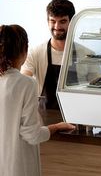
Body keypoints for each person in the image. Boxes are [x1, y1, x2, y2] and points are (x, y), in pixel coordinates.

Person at [0, 24, 75, 176]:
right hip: (17, 165)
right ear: (24, 50)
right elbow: (32, 135)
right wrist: (56, 127)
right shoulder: (26, 83)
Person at [21, 0, 100, 112]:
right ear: (47, 21)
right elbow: (24, 80)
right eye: (53, 21)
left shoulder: (88, 55)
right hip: (43, 120)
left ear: (72, 23)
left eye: (62, 21)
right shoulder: (35, 53)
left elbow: (96, 89)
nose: (57, 27)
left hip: (78, 117)